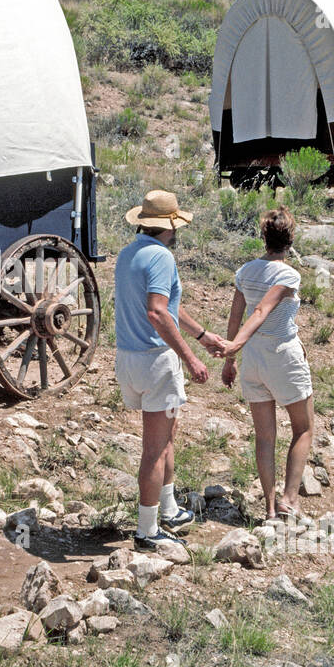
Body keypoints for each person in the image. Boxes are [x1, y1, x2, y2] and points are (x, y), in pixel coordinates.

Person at [114, 190, 226, 552]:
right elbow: (158, 312)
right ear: (169, 226)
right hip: (156, 361)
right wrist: (191, 357)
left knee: (168, 432)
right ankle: (147, 531)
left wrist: (202, 334)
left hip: (128, 357)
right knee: (155, 448)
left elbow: (170, 308)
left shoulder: (128, 253)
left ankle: (169, 508)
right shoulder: (162, 257)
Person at [219, 207, 314, 520]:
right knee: (303, 428)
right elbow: (261, 311)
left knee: (264, 436)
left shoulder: (245, 272)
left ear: (264, 236)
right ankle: (290, 499)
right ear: (291, 238)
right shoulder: (289, 275)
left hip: (253, 361)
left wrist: (231, 358)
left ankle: (271, 509)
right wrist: (235, 345)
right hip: (283, 355)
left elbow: (238, 315)